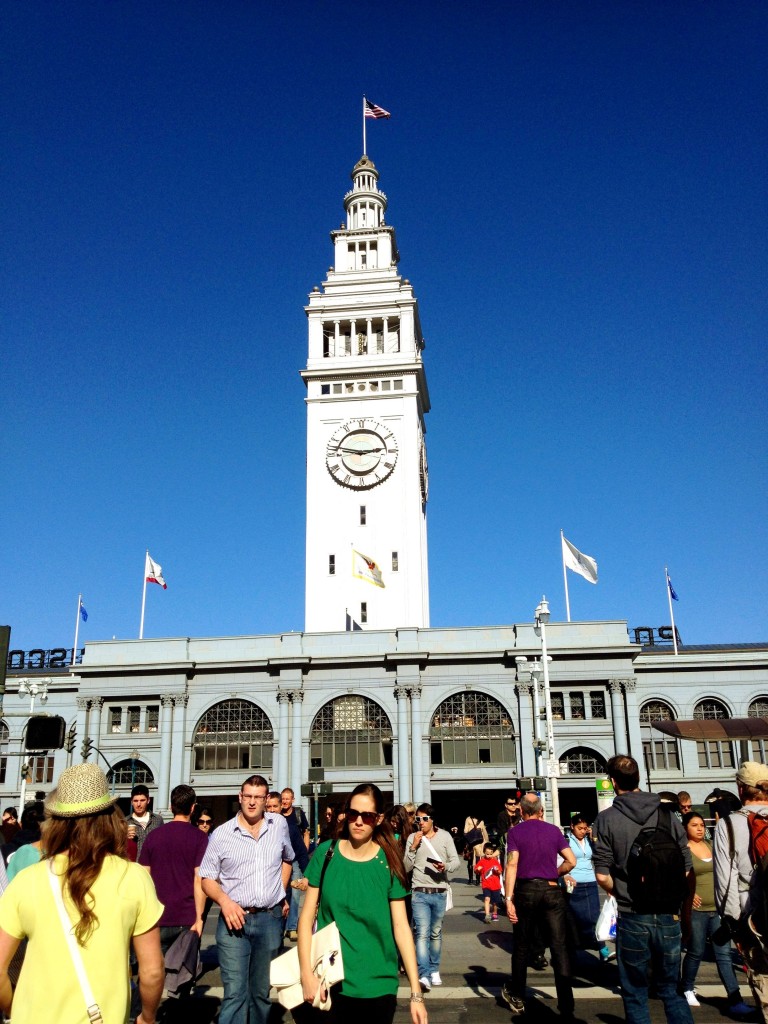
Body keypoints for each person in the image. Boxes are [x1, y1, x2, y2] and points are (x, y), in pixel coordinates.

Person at [0, 763, 164, 1024]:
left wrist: (13, 1009)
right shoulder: (134, 878)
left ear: (55, 823)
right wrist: (147, 1016)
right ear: (110, 818)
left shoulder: (27, 880)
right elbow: (152, 971)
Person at [297, 783, 427, 1024]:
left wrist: (416, 993)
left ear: (377, 819)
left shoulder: (389, 862)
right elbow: (305, 919)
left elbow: (401, 928)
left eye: (366, 816)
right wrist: (306, 974)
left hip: (379, 985)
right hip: (331, 981)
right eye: (353, 813)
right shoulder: (327, 854)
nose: (358, 821)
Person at [593, 754, 693, 1024]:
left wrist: (624, 891)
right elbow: (685, 864)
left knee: (635, 991)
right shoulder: (666, 813)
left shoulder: (607, 819)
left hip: (632, 913)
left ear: (613, 782)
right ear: (638, 778)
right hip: (668, 914)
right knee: (672, 990)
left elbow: (602, 875)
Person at [200, 774, 294, 1024]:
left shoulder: (279, 826)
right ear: (240, 797)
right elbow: (207, 878)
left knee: (261, 994)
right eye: (248, 796)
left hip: (269, 919)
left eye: (258, 797)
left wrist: (280, 892)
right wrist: (225, 901)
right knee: (235, 994)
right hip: (234, 921)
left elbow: (288, 859)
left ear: (266, 800)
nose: (252, 802)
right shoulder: (221, 834)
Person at [502, 792, 576, 1019]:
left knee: (522, 945)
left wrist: (508, 898)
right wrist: (555, 872)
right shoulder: (554, 831)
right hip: (552, 891)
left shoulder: (515, 832)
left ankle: (518, 995)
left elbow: (512, 865)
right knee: (559, 947)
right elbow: (571, 860)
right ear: (541, 811)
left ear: (521, 811)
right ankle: (566, 1006)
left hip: (526, 891)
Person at [681, 811, 752, 1015]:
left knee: (723, 954)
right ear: (685, 828)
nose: (700, 828)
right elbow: (676, 878)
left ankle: (735, 998)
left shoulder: (712, 846)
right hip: (696, 911)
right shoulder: (683, 851)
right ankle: (687, 987)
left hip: (717, 910)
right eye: (694, 825)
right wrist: (688, 893)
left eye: (702, 824)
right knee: (695, 952)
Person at [713, 761, 768, 1020]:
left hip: (752, 915)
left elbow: (725, 881)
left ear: (740, 788)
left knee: (763, 978)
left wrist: (733, 923)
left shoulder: (729, 824)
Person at [139, 784, 208, 954]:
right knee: (182, 975)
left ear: (171, 807)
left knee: (154, 974)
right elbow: (199, 879)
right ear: (192, 808)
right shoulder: (199, 838)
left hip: (156, 916)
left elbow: (142, 877)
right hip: (186, 916)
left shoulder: (153, 836)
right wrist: (199, 918)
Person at [405, 802, 460, 992]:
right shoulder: (413, 837)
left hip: (439, 892)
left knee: (435, 933)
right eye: (418, 819)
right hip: (419, 891)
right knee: (421, 934)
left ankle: (434, 969)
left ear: (432, 819)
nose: (420, 822)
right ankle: (424, 974)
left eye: (424, 819)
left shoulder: (445, 836)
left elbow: (456, 862)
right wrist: (413, 847)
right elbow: (405, 867)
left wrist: (445, 866)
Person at [562, 813, 612, 959]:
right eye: (579, 828)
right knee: (575, 920)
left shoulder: (589, 840)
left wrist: (593, 837)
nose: (582, 831)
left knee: (594, 918)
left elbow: (600, 854)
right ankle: (573, 951)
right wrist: (565, 875)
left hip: (590, 882)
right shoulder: (566, 840)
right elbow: (559, 860)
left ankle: (602, 948)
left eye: (585, 828)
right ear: (572, 827)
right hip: (573, 883)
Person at [282, 787, 311, 941]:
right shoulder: (277, 815)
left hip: (296, 858)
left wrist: (305, 848)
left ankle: (292, 927)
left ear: (293, 799)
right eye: (283, 798)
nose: (285, 801)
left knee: (295, 893)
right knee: (283, 891)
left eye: (288, 798)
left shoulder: (298, 814)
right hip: (282, 859)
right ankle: (282, 924)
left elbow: (306, 832)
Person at [126, 784, 164, 857]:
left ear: (148, 800)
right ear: (131, 802)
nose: (139, 804)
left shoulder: (158, 820)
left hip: (153, 864)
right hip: (134, 865)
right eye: (136, 801)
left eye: (142, 800)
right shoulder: (124, 822)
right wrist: (125, 838)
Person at [474, 843, 503, 923]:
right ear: (484, 852)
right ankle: (487, 915)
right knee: (487, 899)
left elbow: (500, 872)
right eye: (487, 854)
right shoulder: (482, 861)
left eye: (490, 854)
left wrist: (497, 871)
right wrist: (478, 869)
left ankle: (494, 913)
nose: (489, 856)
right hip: (486, 884)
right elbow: (476, 870)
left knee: (495, 902)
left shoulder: (495, 861)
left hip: (495, 885)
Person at [496, 793, 521, 866]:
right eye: (510, 804)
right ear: (506, 805)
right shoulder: (502, 815)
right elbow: (501, 832)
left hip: (519, 844)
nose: (513, 805)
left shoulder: (519, 814)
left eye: (515, 803)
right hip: (506, 845)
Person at [462, 813, 487, 884]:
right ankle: (478, 880)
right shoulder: (481, 821)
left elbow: (465, 831)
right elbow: (484, 833)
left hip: (471, 843)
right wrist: (487, 842)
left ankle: (470, 879)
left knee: (470, 861)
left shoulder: (468, 819)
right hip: (479, 844)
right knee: (478, 861)